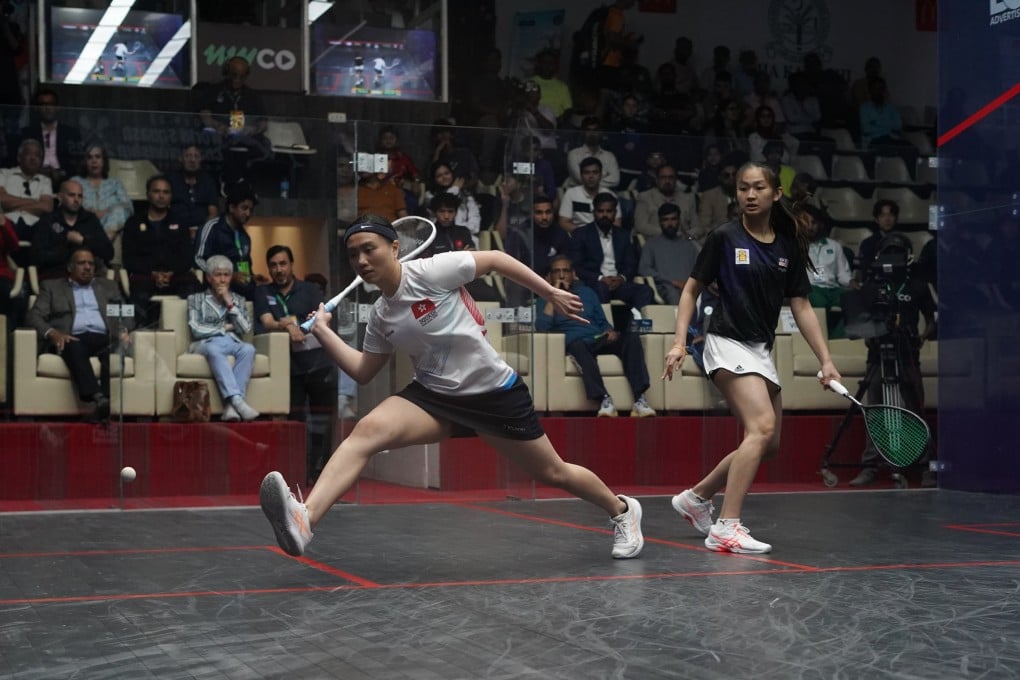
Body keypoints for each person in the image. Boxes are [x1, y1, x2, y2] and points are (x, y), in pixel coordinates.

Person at [259, 214, 644, 560]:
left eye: (369, 249)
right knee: (367, 432)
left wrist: (549, 291)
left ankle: (622, 511)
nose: (361, 260)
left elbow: (494, 258)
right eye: (353, 254)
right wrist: (324, 332)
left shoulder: (430, 271)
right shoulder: (380, 315)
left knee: (554, 473)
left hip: (492, 394)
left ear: (394, 248)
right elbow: (363, 370)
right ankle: (305, 519)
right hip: (434, 397)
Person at [663, 161, 841, 554]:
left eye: (759, 187)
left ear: (776, 193)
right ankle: (726, 526)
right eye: (743, 188)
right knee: (760, 428)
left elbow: (802, 305)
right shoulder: (724, 237)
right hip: (726, 343)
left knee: (769, 443)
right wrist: (679, 343)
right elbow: (691, 290)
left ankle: (697, 497)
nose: (750, 195)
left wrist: (825, 360)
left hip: (760, 348)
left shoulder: (787, 244)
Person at [848, 233, 936, 487]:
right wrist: (868, 336)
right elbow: (861, 321)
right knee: (874, 410)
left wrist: (921, 337)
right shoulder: (873, 285)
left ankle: (924, 467)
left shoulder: (917, 284)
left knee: (914, 409)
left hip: (908, 354)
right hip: (877, 355)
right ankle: (870, 465)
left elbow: (931, 320)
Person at [537, 254, 655, 418]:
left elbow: (602, 321)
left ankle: (639, 399)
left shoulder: (587, 293)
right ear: (549, 277)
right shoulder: (544, 299)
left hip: (598, 338)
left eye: (566, 271)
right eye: (557, 272)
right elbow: (542, 328)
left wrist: (609, 330)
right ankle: (604, 400)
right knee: (578, 346)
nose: (562, 275)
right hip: (575, 343)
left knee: (631, 338)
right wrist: (553, 295)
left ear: (574, 274)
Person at [255, 245, 336, 480]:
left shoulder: (309, 290)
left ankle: (322, 471)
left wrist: (296, 325)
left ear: (291, 265)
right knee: (296, 423)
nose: (278, 269)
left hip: (318, 363)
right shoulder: (263, 292)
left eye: (283, 264)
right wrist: (288, 325)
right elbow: (266, 321)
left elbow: (321, 320)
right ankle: (300, 471)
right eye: (273, 265)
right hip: (288, 368)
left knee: (322, 422)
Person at [26, 246, 127, 422]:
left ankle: (102, 403)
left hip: (104, 337)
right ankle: (97, 397)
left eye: (91, 264)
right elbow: (34, 316)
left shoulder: (108, 287)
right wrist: (53, 333)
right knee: (72, 345)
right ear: (70, 267)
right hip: (72, 338)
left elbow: (124, 313)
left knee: (112, 353)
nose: (87, 267)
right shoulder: (52, 287)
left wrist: (123, 330)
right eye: (81, 263)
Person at [187, 254, 259, 422]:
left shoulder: (238, 300)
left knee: (249, 349)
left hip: (233, 341)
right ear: (209, 277)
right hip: (205, 343)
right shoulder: (196, 299)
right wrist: (223, 328)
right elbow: (196, 328)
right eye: (218, 275)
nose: (222, 279)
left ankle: (231, 408)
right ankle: (237, 400)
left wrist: (229, 302)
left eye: (226, 275)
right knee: (214, 349)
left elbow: (245, 328)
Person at [568, 192, 653, 332]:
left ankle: (633, 331)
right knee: (601, 290)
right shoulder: (582, 234)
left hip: (618, 284)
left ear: (615, 213)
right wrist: (601, 278)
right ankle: (604, 331)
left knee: (645, 291)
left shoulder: (623, 235)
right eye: (601, 211)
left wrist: (621, 278)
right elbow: (576, 266)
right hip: (595, 283)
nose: (605, 215)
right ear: (594, 212)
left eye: (609, 211)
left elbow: (631, 264)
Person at [121, 175, 197, 328]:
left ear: (171, 196)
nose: (161, 196)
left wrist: (171, 273)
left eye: (166, 192)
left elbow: (187, 257)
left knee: (196, 291)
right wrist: (153, 273)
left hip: (176, 275)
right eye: (156, 191)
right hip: (145, 276)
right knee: (138, 296)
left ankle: (197, 334)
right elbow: (129, 258)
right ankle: (140, 336)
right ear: (148, 194)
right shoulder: (133, 223)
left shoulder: (180, 222)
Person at [196, 56, 271, 186]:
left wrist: (253, 129)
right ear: (227, 73)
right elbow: (205, 116)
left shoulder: (252, 96)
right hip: (219, 136)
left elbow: (263, 123)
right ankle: (233, 182)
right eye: (234, 75)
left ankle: (245, 185)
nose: (237, 79)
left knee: (262, 148)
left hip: (244, 136)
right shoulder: (213, 91)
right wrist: (218, 126)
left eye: (241, 76)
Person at [30, 179, 113, 281]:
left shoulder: (90, 219)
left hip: (89, 277)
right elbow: (37, 257)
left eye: (80, 196)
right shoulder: (47, 220)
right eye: (71, 195)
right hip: (56, 277)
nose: (76, 199)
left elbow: (108, 252)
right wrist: (67, 243)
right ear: (60, 197)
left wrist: (83, 241)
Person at [194, 182, 257, 299]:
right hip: (216, 288)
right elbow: (198, 259)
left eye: (251, 210)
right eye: (244, 208)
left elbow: (245, 265)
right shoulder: (212, 227)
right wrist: (228, 276)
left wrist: (252, 277)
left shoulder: (245, 236)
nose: (248, 213)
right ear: (232, 208)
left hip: (241, 289)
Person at [71, 143, 132, 265]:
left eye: (98, 157)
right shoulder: (75, 181)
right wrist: (88, 213)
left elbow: (128, 208)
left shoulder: (115, 183)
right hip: (85, 227)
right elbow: (68, 204)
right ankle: (101, 248)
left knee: (120, 211)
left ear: (104, 161)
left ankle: (103, 244)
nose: (94, 161)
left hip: (111, 230)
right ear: (84, 161)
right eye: (89, 157)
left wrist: (106, 212)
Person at [804, 205, 855, 338]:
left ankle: (835, 338)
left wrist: (851, 282)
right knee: (817, 300)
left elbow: (843, 274)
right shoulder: (793, 246)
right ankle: (821, 340)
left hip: (833, 289)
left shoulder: (834, 246)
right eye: (805, 222)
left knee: (854, 300)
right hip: (812, 288)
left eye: (813, 222)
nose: (810, 226)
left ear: (820, 224)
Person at [18, 88, 82, 187]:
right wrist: (38, 171)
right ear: (36, 108)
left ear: (58, 107)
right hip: (34, 177)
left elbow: (77, 162)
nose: (47, 108)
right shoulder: (27, 133)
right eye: (43, 104)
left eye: (51, 104)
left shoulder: (71, 133)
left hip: (64, 179)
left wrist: (61, 173)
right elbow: (20, 162)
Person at [638, 204, 700, 306]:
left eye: (673, 219)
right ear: (660, 222)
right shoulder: (651, 244)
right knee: (673, 294)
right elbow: (644, 269)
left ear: (679, 220)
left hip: (690, 286)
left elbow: (700, 269)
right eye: (665, 220)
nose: (670, 223)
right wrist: (673, 281)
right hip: (666, 287)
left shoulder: (689, 244)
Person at [0, 139, 54, 244]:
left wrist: (11, 203)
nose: (33, 158)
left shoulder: (45, 181)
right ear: (19, 157)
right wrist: (35, 202)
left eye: (37, 155)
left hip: (36, 228)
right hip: (7, 224)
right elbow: (1, 200)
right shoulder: (4, 174)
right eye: (29, 154)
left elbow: (47, 208)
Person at [167, 144, 220, 240]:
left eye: (196, 156)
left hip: (202, 231)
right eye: (188, 156)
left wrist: (202, 231)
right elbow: (165, 208)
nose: (192, 160)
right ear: (181, 159)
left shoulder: (208, 181)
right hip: (175, 230)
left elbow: (213, 213)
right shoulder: (171, 180)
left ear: (200, 160)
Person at [633, 163, 698, 239]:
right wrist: (671, 234)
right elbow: (640, 225)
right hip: (656, 241)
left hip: (684, 242)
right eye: (663, 177)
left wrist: (688, 236)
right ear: (657, 180)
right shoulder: (644, 197)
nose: (667, 181)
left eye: (671, 177)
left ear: (676, 180)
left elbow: (697, 226)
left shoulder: (688, 198)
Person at [558, 156, 621, 233]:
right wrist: (586, 235)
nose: (591, 176)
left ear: (600, 175)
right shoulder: (571, 194)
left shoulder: (610, 195)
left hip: (605, 236)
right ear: (581, 176)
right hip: (579, 236)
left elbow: (617, 223)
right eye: (587, 173)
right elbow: (564, 222)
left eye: (595, 172)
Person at [856, 199, 900, 282]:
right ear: (876, 220)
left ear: (896, 218)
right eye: (882, 216)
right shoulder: (867, 243)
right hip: (875, 283)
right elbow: (866, 269)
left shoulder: (902, 242)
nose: (887, 219)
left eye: (891, 215)